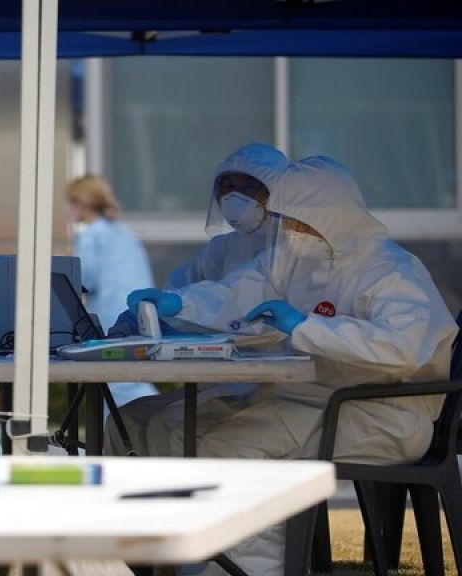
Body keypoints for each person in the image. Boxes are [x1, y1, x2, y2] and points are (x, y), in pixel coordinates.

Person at [123, 153, 458, 575]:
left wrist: (306, 327)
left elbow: (402, 348)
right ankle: (189, 561)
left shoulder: (391, 271)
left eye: (298, 219)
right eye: (287, 218)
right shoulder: (298, 256)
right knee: (181, 436)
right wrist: (181, 302)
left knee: (228, 449)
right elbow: (241, 290)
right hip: (311, 400)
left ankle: (249, 570)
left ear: (329, 214)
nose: (289, 229)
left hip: (383, 414)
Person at [106, 143, 288, 455]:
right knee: (122, 421)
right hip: (221, 381)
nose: (234, 196)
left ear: (279, 192)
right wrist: (146, 317)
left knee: (168, 427)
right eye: (227, 187)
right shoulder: (224, 248)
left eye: (249, 187)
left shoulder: (294, 249)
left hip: (273, 387)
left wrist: (181, 306)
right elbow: (186, 287)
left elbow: (235, 298)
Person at [65, 175, 157, 406]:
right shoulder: (124, 232)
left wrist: (64, 269)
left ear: (80, 203)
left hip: (111, 319)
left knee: (118, 384)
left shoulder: (90, 235)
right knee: (130, 379)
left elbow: (85, 279)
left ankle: (158, 419)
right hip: (141, 315)